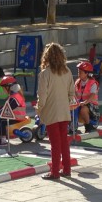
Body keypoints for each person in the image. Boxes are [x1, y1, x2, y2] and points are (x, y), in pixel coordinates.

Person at [36, 43, 75, 180]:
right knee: (64, 141)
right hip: (64, 111)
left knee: (54, 144)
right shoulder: (67, 71)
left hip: (51, 112)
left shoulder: (44, 74)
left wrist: (39, 109)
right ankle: (67, 169)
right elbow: (72, 93)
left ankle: (55, 172)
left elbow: (43, 95)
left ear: (46, 57)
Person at [0, 76, 26, 146]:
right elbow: (6, 106)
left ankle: (3, 140)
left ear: (9, 87)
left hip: (17, 117)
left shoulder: (15, 98)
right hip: (14, 116)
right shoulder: (13, 96)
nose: (3, 90)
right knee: (1, 118)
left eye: (3, 88)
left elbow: (9, 108)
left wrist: (0, 112)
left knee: (2, 122)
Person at [75, 61, 100, 133]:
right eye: (78, 72)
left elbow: (92, 95)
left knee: (83, 110)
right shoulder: (77, 82)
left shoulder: (92, 83)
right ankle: (72, 125)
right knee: (71, 110)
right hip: (80, 103)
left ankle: (89, 126)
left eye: (80, 72)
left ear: (87, 73)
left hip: (91, 104)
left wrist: (85, 102)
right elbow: (74, 92)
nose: (78, 74)